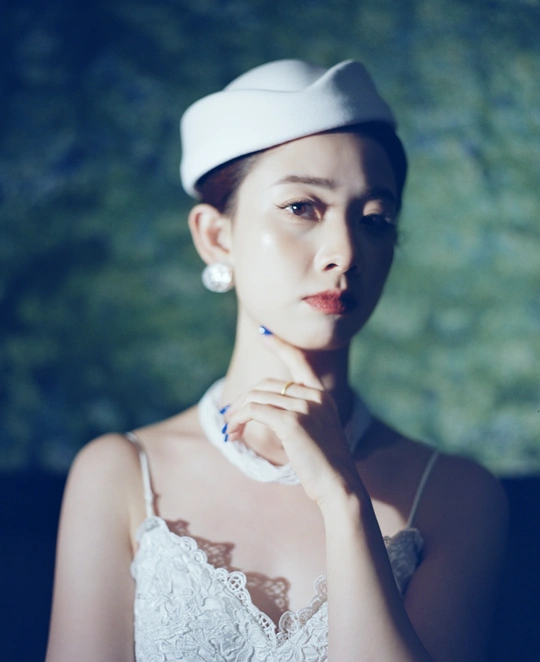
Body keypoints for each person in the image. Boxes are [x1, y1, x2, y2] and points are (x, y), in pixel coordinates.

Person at [46, 59, 508, 662]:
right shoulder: (122, 473)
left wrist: (343, 500)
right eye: (301, 208)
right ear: (216, 236)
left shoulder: (456, 494)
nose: (345, 252)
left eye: (375, 220)